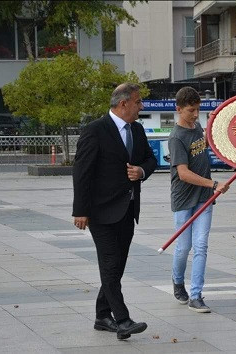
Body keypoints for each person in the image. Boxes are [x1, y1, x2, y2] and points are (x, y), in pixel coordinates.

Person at [72, 83, 157, 340]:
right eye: (138, 102)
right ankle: (122, 320)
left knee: (116, 266)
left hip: (128, 209)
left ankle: (102, 315)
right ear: (123, 104)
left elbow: (150, 159)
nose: (141, 106)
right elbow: (82, 172)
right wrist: (80, 210)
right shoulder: (95, 130)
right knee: (110, 264)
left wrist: (141, 171)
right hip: (100, 212)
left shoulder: (137, 130)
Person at [168, 86, 229, 313]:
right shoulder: (176, 137)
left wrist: (214, 125)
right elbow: (183, 173)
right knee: (184, 248)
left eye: (198, 109)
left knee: (201, 246)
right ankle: (177, 280)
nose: (195, 115)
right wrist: (213, 184)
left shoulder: (197, 128)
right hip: (184, 199)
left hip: (204, 199)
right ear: (179, 109)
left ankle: (196, 295)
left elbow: (208, 145)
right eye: (191, 110)